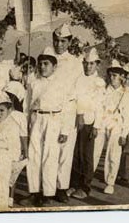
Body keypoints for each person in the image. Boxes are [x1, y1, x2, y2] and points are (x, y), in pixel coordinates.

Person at [25, 47, 74, 207]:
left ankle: (47, 193)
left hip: (54, 120)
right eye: (40, 64)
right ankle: (34, 192)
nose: (42, 67)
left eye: (46, 64)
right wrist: (25, 125)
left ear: (54, 66)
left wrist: (65, 130)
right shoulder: (33, 82)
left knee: (50, 157)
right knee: (34, 156)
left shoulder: (62, 84)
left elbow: (68, 108)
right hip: (36, 118)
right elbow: (27, 105)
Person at [92, 60, 129, 195]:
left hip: (117, 123)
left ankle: (110, 182)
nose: (112, 78)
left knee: (113, 153)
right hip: (102, 122)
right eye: (111, 75)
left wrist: (124, 134)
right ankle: (88, 178)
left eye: (115, 76)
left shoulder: (126, 93)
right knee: (95, 150)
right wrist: (96, 125)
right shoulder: (103, 90)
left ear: (121, 77)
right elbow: (98, 108)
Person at [51, 23, 82, 202]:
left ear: (69, 42)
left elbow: (79, 90)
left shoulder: (75, 63)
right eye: (56, 41)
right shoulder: (47, 57)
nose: (59, 44)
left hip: (68, 109)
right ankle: (47, 185)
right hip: (51, 109)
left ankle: (61, 187)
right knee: (51, 149)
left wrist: (79, 113)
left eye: (63, 41)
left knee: (66, 150)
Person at [69, 48, 105, 200]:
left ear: (96, 65)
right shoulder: (79, 79)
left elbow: (100, 105)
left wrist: (96, 125)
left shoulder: (99, 82)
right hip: (77, 120)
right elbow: (75, 98)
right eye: (86, 64)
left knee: (86, 155)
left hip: (90, 122)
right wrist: (78, 115)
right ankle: (74, 184)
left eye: (91, 64)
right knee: (75, 154)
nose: (88, 67)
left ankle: (85, 186)